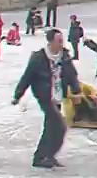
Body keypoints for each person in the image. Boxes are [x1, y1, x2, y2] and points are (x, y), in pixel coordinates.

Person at [12, 29, 79, 169]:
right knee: (59, 126)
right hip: (45, 96)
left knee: (50, 127)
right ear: (51, 42)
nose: (61, 43)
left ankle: (43, 157)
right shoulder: (39, 58)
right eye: (59, 41)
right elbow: (27, 77)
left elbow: (72, 74)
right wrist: (18, 95)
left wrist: (76, 91)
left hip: (58, 95)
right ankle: (46, 155)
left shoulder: (64, 56)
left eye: (62, 40)